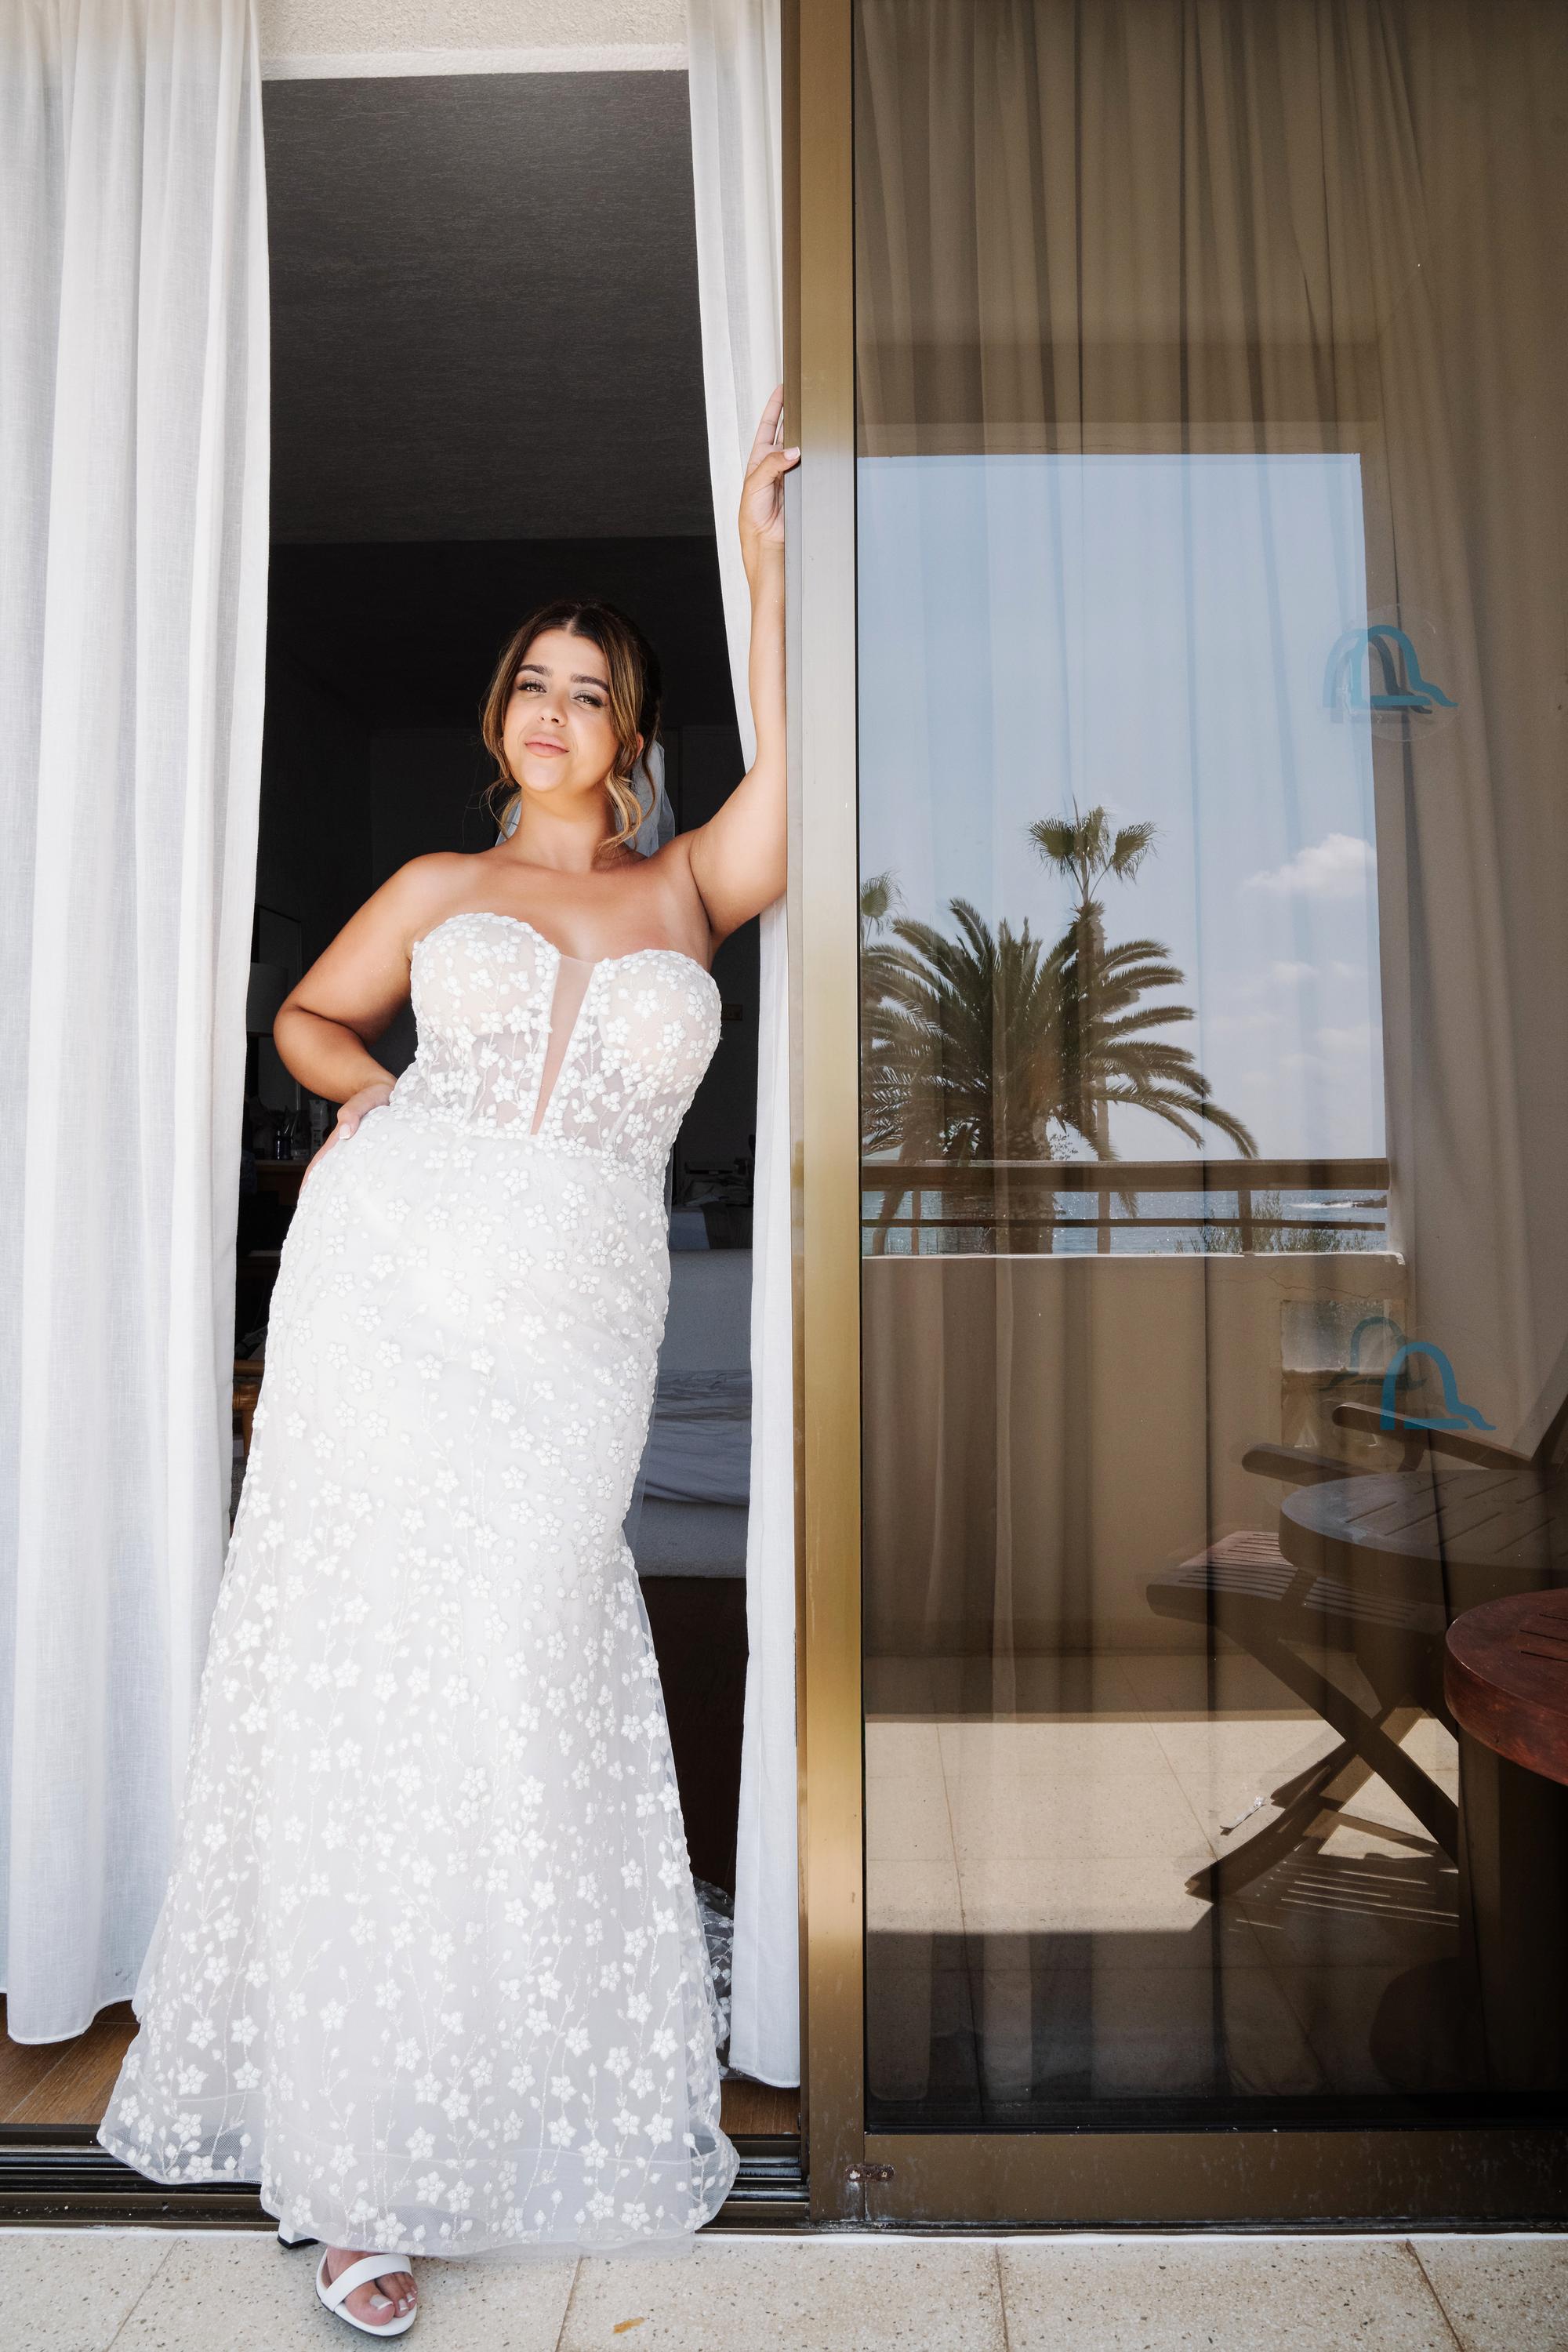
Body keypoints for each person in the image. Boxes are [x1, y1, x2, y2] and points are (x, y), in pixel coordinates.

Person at [97, 392, 798, 2336]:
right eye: (533, 686)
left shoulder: (687, 887)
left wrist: (765, 567)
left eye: (591, 691)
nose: (556, 711)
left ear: (630, 733)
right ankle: (364, 2168)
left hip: (575, 1325)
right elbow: (310, 1023)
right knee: (380, 1687)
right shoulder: (431, 888)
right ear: (502, 721)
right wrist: (374, 1097)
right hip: (392, 1296)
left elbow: (803, 789)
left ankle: (504, 2062)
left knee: (518, 1653)